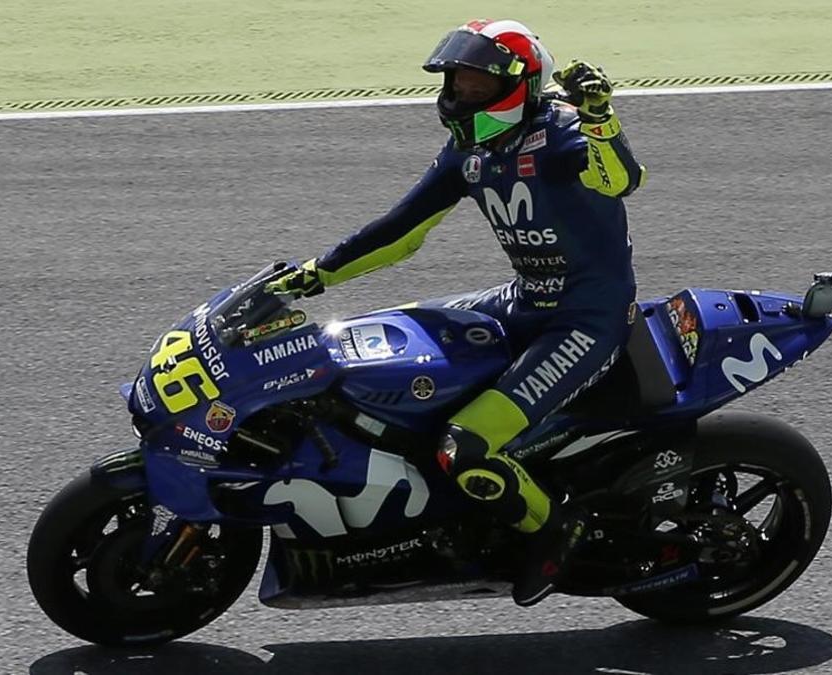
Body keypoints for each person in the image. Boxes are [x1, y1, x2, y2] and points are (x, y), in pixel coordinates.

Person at [266, 18, 645, 606]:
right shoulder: (471, 150)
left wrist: (601, 118)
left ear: (518, 85)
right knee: (381, 346)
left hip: (584, 320)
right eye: (457, 83)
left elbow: (621, 179)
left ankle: (555, 528)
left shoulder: (565, 132)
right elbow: (402, 230)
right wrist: (319, 272)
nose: (461, 94)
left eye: (476, 85)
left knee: (465, 447)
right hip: (523, 301)